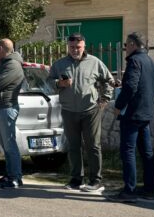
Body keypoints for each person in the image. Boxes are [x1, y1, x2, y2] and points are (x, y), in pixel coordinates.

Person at [48, 33, 115, 193]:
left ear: (84, 46)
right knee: (73, 146)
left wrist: (104, 99)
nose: (75, 50)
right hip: (69, 111)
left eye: (78, 47)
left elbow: (109, 80)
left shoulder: (94, 62)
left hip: (90, 110)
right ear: (67, 47)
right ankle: (76, 180)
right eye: (71, 47)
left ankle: (96, 181)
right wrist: (59, 83)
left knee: (93, 146)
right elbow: (49, 83)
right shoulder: (59, 64)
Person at [111, 32, 154, 201]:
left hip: (132, 114)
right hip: (146, 113)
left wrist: (118, 106)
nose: (125, 49)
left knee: (128, 152)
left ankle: (129, 191)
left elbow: (131, 87)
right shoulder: (151, 62)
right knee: (146, 152)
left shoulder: (134, 61)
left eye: (126, 45)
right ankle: (149, 189)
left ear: (132, 44)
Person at [0, 39, 25, 189]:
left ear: (1, 48)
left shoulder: (12, 65)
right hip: (0, 107)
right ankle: (9, 174)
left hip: (6, 107)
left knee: (9, 145)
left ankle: (15, 177)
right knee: (6, 145)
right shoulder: (5, 63)